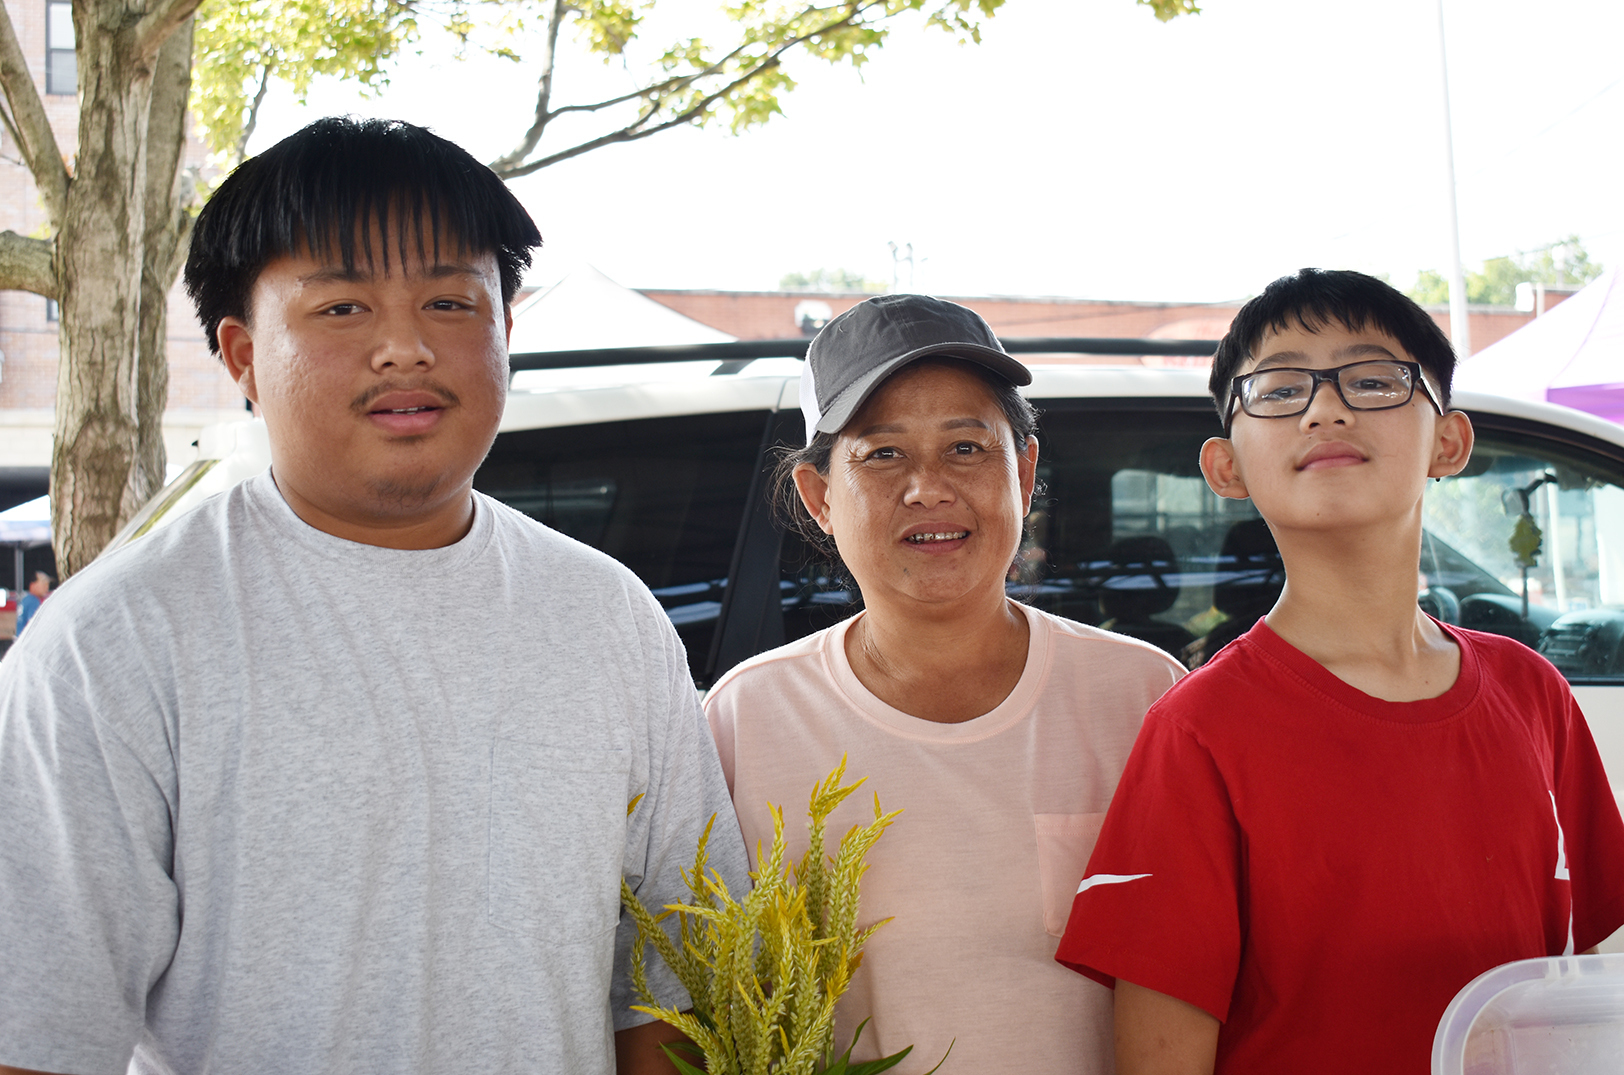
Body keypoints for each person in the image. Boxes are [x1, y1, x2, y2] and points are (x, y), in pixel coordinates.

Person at [0, 117, 746, 1075]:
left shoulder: (610, 619)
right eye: (342, 308)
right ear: (241, 356)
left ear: (505, 331)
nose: (406, 348)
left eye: (448, 301)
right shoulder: (115, 643)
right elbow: (37, 1032)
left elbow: (674, 988)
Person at [1056, 269, 1624, 1074]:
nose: (1327, 407)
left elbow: (1580, 984)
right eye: (1281, 389)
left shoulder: (1534, 694)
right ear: (1225, 467)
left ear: (1449, 442)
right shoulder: (1198, 730)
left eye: (1372, 379)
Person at [705, 294, 1185, 1072]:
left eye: (966, 447)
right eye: (883, 453)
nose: (928, 487)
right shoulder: (748, 717)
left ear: (1024, 473)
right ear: (820, 497)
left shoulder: (1142, 694)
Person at [12, 571, 50, 635]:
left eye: (48, 584)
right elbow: (34, 625)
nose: (47, 588)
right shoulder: (33, 601)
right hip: (27, 641)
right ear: (33, 585)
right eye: (44, 584)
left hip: (19, 638)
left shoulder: (25, 599)